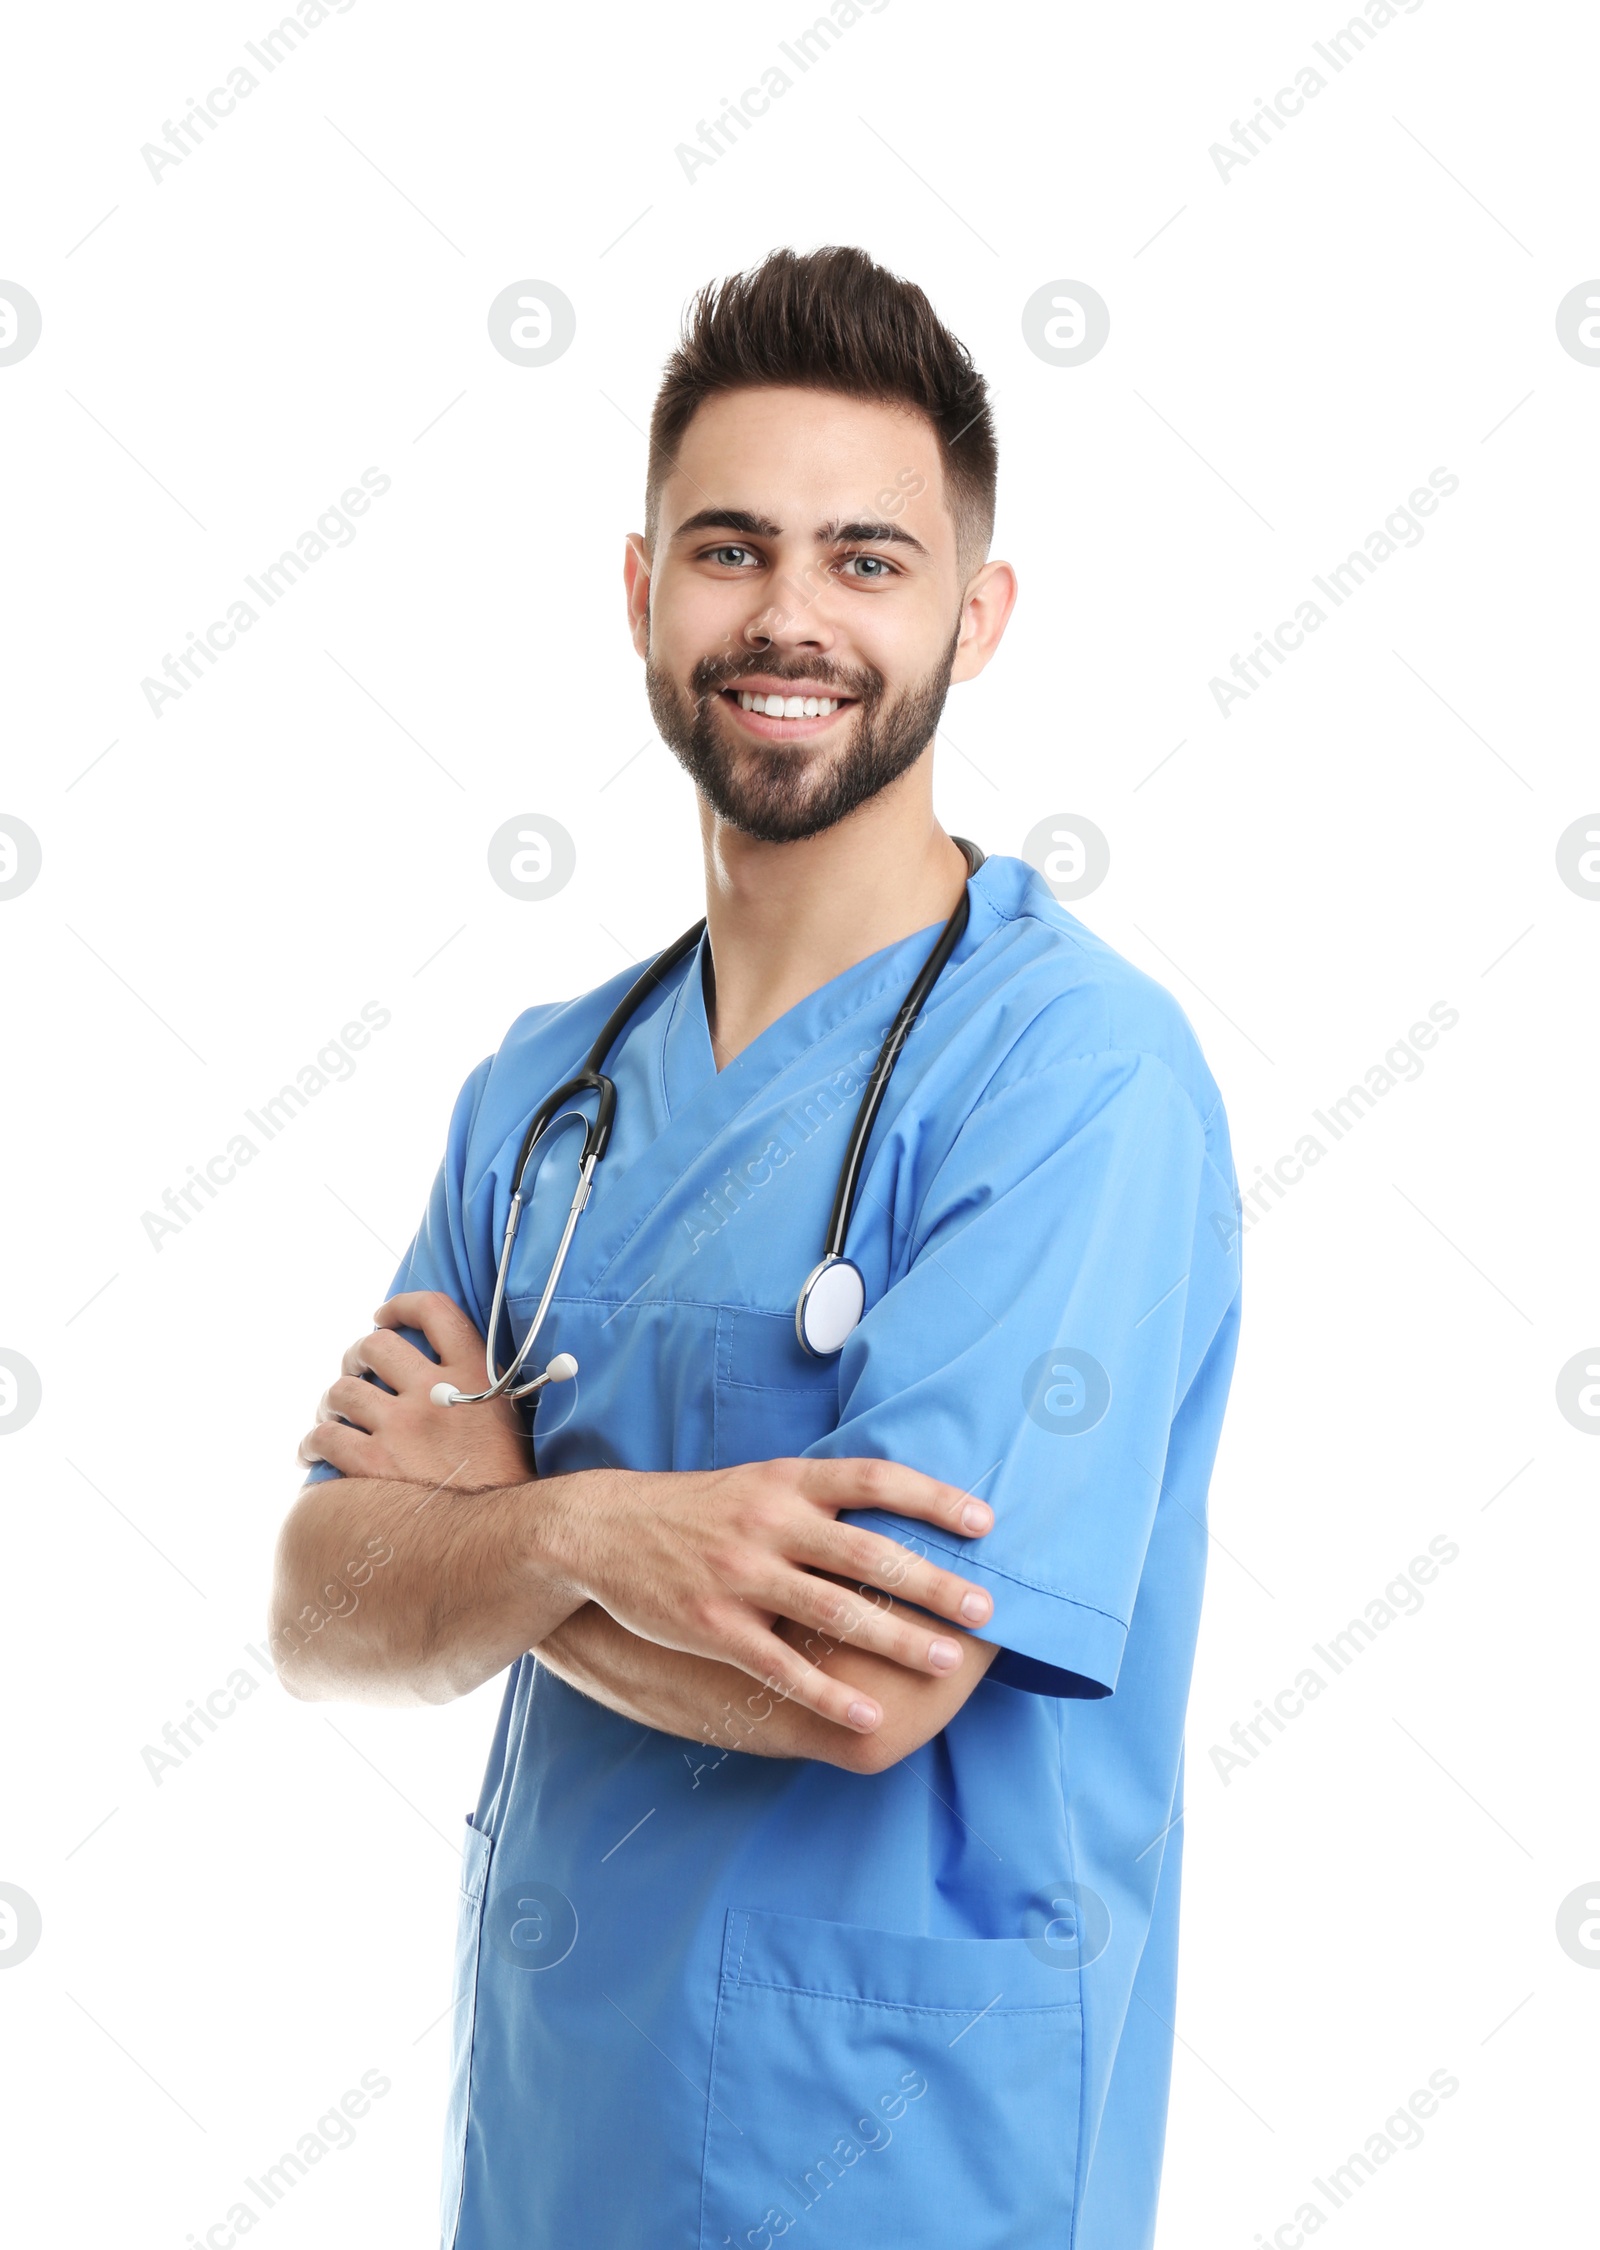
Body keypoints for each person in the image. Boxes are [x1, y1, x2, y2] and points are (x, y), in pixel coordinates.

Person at [272, 243, 1243, 2250]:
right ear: (639, 592)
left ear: (973, 620)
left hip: (906, 2164)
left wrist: (489, 1540)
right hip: (550, 2153)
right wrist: (578, 1540)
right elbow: (317, 1609)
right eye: (728, 549)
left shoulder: (1074, 1081)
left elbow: (869, 1683)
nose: (787, 614)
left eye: (865, 561)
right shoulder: (543, 1101)